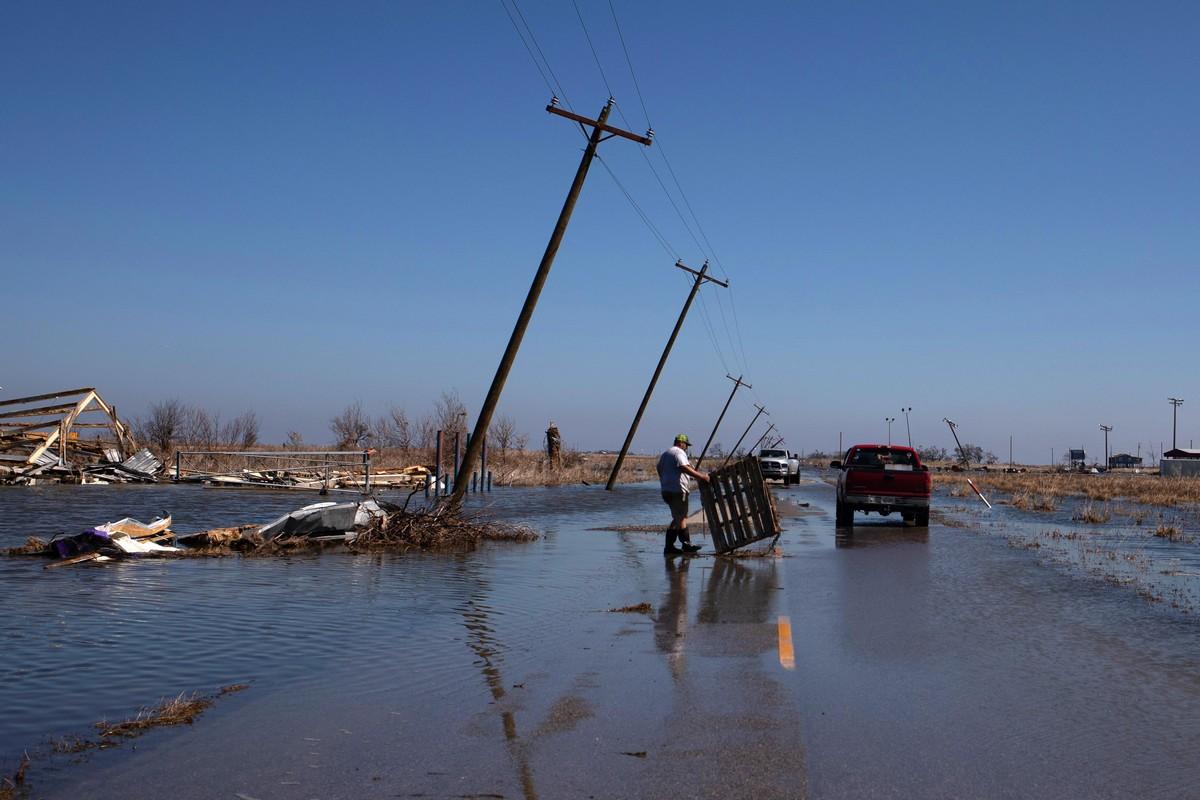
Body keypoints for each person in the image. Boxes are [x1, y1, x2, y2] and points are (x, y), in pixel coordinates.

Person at [656, 434, 710, 555]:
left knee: (679, 517)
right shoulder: (678, 453)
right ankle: (682, 545)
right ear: (681, 443)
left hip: (666, 490)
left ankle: (676, 546)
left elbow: (659, 468)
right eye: (686, 445)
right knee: (680, 517)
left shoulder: (666, 454)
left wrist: (665, 480)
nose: (686, 448)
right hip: (677, 490)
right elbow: (684, 467)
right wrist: (701, 477)